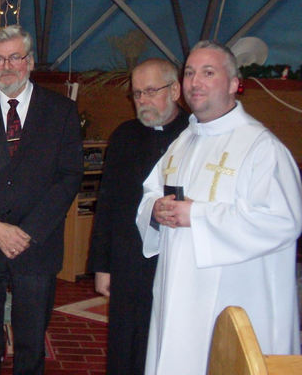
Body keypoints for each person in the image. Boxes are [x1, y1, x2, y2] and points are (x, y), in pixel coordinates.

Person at [136, 40, 302, 375]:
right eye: (190, 73)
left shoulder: (261, 147)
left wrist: (197, 215)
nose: (195, 82)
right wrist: (155, 209)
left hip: (236, 295)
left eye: (208, 73)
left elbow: (283, 222)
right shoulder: (184, 141)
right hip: (179, 293)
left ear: (233, 83)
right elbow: (151, 191)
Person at [0, 24, 83, 375]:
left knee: (31, 343)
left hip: (37, 244)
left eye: (14, 58)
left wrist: (28, 232)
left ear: (31, 61)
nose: (6, 67)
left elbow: (69, 176)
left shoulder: (61, 111)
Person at [87, 58, 188, 375]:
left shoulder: (195, 134)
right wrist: (102, 266)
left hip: (176, 260)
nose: (142, 100)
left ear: (175, 90)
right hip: (129, 262)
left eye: (151, 91)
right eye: (137, 93)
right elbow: (107, 205)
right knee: (125, 344)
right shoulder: (124, 136)